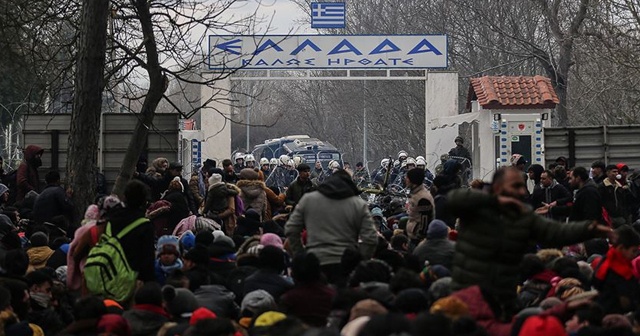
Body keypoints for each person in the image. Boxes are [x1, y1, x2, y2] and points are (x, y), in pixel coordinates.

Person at [447, 166, 611, 321]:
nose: (522, 191)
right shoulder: (476, 208)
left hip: (501, 300)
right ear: (498, 187)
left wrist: (591, 228)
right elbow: (453, 200)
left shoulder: (523, 216)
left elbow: (557, 232)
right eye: (516, 186)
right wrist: (493, 200)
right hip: (466, 297)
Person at [285, 169, 377, 286]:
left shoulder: (308, 200)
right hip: (346, 263)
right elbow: (371, 238)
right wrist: (360, 259)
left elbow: (291, 229)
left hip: (315, 260)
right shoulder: (357, 204)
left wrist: (300, 254)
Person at [107, 180, 156, 283]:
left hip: (110, 274)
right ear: (144, 200)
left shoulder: (110, 219)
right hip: (133, 279)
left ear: (124, 197)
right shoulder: (145, 225)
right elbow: (147, 260)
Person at [593, 225, 640, 314]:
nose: (635, 255)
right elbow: (625, 302)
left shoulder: (604, 261)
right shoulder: (620, 270)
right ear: (621, 248)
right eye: (633, 251)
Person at [405, 168, 435, 246]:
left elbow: (425, 220)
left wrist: (420, 237)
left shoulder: (422, 198)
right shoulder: (416, 194)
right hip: (412, 235)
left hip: (417, 240)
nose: (406, 180)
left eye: (407, 178)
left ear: (413, 180)